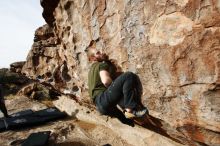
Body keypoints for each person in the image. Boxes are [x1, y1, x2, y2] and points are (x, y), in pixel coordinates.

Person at [87, 48, 148, 118]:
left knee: (129, 122)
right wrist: (114, 84)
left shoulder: (92, 69)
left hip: (100, 106)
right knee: (128, 75)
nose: (101, 52)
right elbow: (106, 81)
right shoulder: (102, 65)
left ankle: (130, 113)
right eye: (98, 53)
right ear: (93, 58)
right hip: (103, 99)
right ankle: (129, 109)